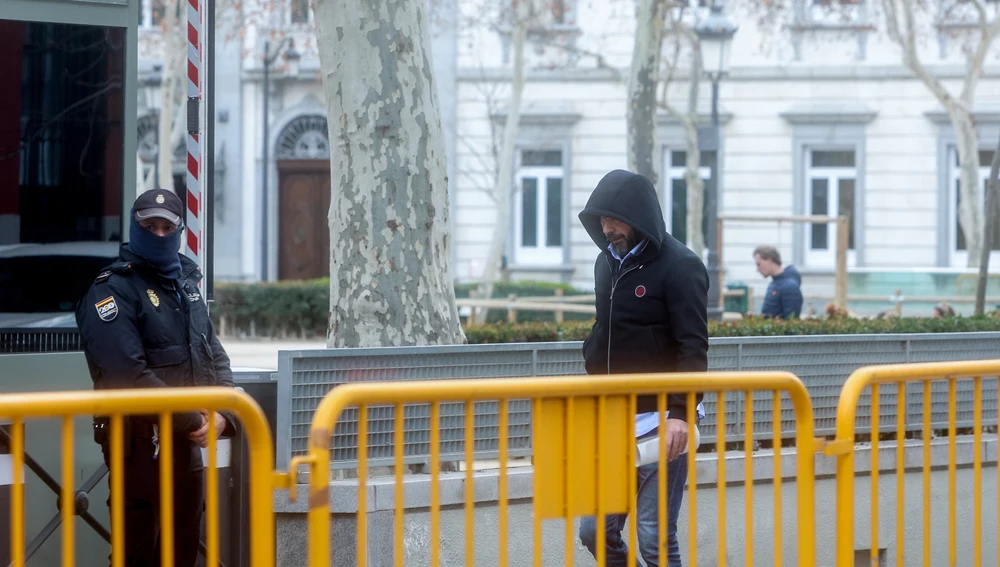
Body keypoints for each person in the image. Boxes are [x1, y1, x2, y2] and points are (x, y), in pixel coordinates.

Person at [76, 188, 235, 567]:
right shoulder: (112, 290)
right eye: (150, 226)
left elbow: (213, 353)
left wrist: (223, 411)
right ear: (135, 226)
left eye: (168, 227)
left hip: (185, 446)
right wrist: (194, 419)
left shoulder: (185, 286)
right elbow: (126, 376)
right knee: (139, 556)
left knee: (181, 554)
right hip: (139, 447)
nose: (160, 234)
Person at [577, 169, 709, 567]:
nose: (606, 227)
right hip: (615, 417)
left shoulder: (681, 265)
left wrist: (681, 414)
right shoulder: (606, 263)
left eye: (613, 219)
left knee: (654, 540)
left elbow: (693, 345)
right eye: (600, 219)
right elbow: (607, 327)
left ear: (636, 217)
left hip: (663, 422)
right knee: (594, 530)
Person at [753, 245, 803, 320]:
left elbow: (791, 322)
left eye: (759, 264)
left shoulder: (790, 287)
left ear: (769, 260)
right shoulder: (774, 283)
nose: (757, 269)